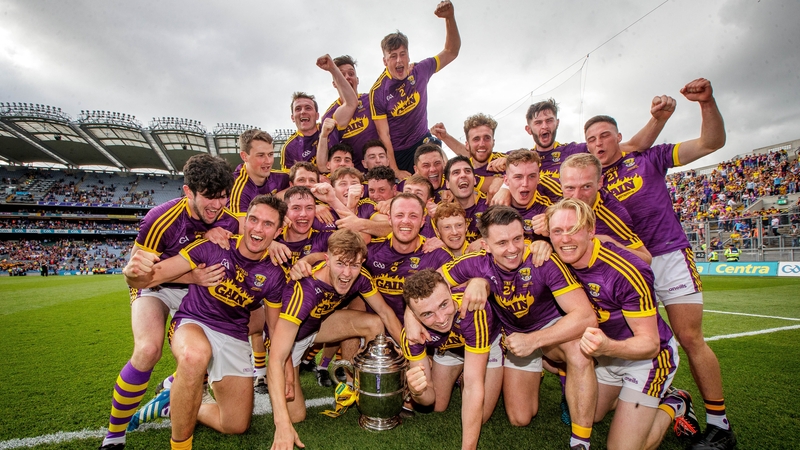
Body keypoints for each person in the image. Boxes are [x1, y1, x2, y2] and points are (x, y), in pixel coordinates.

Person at [586, 78, 736, 449]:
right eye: (591, 139)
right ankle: (657, 395)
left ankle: (720, 425)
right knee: (631, 335)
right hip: (629, 267)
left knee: (689, 337)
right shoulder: (590, 183)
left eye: (605, 135)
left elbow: (711, 143)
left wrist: (706, 103)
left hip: (668, 256)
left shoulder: (648, 158)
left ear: (619, 136)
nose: (599, 143)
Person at [123, 195, 288, 450]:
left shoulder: (275, 275)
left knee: (235, 425)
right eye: (253, 220)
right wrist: (132, 272)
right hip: (194, 321)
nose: (257, 228)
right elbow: (149, 278)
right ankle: (180, 446)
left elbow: (275, 331)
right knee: (194, 356)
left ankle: (174, 402)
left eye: (268, 224)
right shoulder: (212, 246)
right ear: (244, 223)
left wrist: (285, 370)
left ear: (278, 231)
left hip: (233, 335)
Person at [99, 154, 238, 450]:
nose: (217, 205)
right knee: (148, 349)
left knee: (237, 325)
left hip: (197, 292)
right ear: (188, 192)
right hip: (158, 287)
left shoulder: (229, 220)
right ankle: (114, 435)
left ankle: (174, 389)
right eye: (209, 197)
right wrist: (191, 277)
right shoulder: (160, 218)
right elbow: (136, 278)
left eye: (223, 197)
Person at [546, 198, 700, 448]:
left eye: (573, 229)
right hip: (606, 353)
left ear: (590, 230)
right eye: (557, 231)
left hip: (647, 359)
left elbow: (649, 343)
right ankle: (635, 400)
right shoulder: (557, 262)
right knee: (590, 413)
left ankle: (675, 403)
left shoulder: (626, 269)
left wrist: (606, 348)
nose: (565, 239)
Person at [441, 205, 598, 449]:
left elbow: (586, 317)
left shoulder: (542, 260)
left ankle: (580, 441)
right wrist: (475, 281)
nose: (513, 249)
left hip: (547, 332)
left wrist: (535, 340)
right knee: (519, 417)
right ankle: (539, 369)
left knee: (579, 349)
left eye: (518, 239)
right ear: (486, 245)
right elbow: (431, 284)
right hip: (510, 337)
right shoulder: (476, 262)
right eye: (502, 243)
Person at [268, 229, 403, 450]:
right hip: (289, 342)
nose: (347, 273)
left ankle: (356, 389)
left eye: (354, 265)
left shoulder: (361, 276)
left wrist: (413, 356)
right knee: (296, 416)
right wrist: (281, 425)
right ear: (327, 258)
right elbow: (276, 356)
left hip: (317, 327)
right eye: (341, 263)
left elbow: (386, 313)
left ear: (362, 262)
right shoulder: (305, 290)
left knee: (375, 323)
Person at [402, 269, 502, 450]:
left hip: (486, 344)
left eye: (443, 305)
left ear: (450, 289)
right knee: (435, 404)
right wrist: (417, 392)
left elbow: (473, 386)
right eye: (427, 314)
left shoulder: (473, 310)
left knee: (482, 416)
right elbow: (427, 394)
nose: (441, 319)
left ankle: (468, 371)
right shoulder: (412, 333)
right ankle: (459, 372)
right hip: (449, 348)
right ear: (414, 316)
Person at [369, 0, 460, 174]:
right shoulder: (378, 91)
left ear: (408, 55)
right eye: (393, 56)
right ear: (384, 61)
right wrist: (395, 170)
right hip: (399, 152)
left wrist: (449, 18)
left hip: (422, 139)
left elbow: (451, 51)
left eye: (403, 54)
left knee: (445, 171)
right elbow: (384, 135)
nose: (399, 61)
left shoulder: (420, 70)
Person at [553, 153, 651, 264]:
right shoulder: (551, 199)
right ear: (560, 184)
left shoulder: (612, 215)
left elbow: (646, 259)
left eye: (586, 187)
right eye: (570, 188)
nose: (577, 196)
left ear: (600, 182)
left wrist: (612, 245)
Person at [280, 54, 358, 171]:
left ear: (317, 115)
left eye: (308, 108)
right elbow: (290, 181)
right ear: (292, 117)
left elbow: (352, 102)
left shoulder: (330, 127)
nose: (303, 112)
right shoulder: (290, 147)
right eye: (298, 109)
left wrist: (333, 69)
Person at [502, 149, 552, 241]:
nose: (525, 183)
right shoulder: (495, 205)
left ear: (538, 179)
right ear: (506, 180)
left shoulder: (548, 210)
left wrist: (551, 234)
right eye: (518, 177)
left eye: (531, 176)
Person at [444, 156, 489, 244]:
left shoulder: (490, 206)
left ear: (475, 180)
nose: (463, 175)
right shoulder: (441, 213)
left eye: (467, 171)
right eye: (456, 172)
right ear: (447, 184)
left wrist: (486, 241)